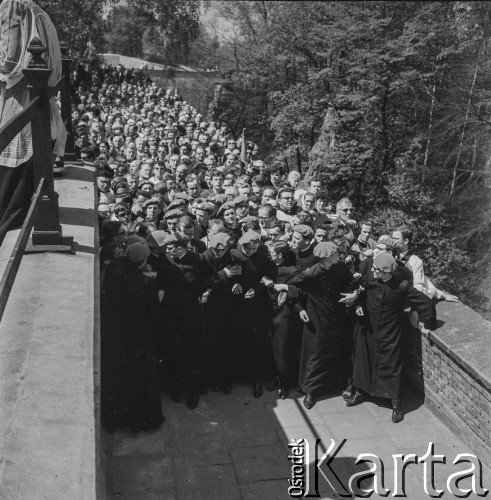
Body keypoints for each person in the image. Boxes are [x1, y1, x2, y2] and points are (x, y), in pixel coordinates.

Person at [0, 0, 67, 242]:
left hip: (18, 106)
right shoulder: (40, 12)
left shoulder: (12, 6)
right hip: (37, 106)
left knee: (8, 201)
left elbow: (8, 63)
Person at [347, 252, 437, 423]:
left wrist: (428, 325)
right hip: (369, 329)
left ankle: (396, 403)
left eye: (376, 270)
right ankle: (360, 392)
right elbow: (359, 291)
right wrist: (358, 305)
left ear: (387, 272)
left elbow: (426, 302)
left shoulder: (402, 286)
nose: (373, 272)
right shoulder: (371, 279)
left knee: (392, 366)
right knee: (363, 362)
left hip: (391, 333)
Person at [275, 242, 352, 409]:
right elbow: (294, 286)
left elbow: (349, 283)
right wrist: (300, 307)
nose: (337, 257)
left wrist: (353, 294)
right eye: (333, 255)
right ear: (325, 258)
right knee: (317, 351)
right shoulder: (312, 272)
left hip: (337, 315)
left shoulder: (341, 268)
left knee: (337, 348)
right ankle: (310, 390)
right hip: (317, 317)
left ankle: (336, 384)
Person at [101, 242, 165, 432]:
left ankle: (116, 419)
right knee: (139, 377)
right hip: (138, 334)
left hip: (116, 331)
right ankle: (138, 420)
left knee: (118, 375)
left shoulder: (115, 268)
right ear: (143, 260)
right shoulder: (146, 284)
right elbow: (156, 315)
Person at [392, 226, 458, 302]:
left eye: (396, 239)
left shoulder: (414, 261)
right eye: (392, 238)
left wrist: (442, 295)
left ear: (406, 241)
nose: (392, 241)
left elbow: (420, 284)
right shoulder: (390, 255)